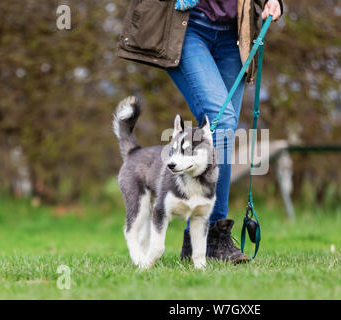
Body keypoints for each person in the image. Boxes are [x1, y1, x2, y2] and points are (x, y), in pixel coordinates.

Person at [117, 0, 283, 263]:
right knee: (223, 121)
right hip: (188, 26)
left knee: (223, 132)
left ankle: (197, 241)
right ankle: (215, 235)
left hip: (236, 31)